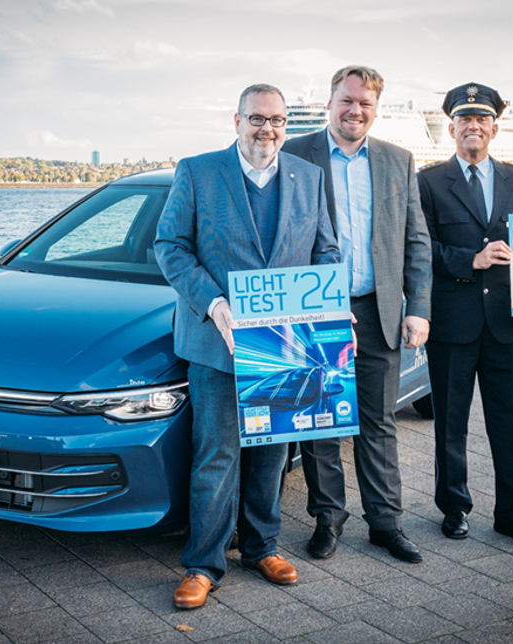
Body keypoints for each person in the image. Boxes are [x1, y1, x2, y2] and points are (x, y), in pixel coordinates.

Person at [155, 83, 340, 608]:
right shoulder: (198, 171)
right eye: (257, 119)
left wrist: (323, 300)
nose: (268, 129)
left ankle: (262, 547)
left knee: (271, 454)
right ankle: (203, 565)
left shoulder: (309, 177)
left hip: (285, 343)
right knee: (215, 456)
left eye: (278, 120)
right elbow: (170, 245)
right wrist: (214, 305)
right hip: (218, 342)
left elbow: (326, 250)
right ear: (235, 121)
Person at [282, 65, 432, 563]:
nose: (355, 111)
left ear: (375, 108)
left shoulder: (397, 159)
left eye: (365, 104)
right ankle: (329, 517)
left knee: (378, 422)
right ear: (330, 103)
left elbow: (415, 241)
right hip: (316, 309)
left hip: (379, 309)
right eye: (347, 101)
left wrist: (419, 309)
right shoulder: (294, 153)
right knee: (321, 421)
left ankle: (385, 523)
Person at [416, 83, 513, 550]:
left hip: (509, 322)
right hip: (453, 321)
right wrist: (470, 258)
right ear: (451, 127)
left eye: (482, 119)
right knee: (450, 422)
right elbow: (420, 248)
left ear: (495, 126)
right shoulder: (428, 181)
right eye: (465, 119)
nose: (474, 126)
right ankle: (453, 507)